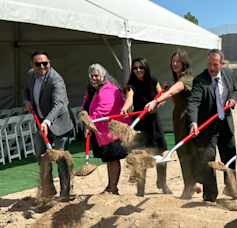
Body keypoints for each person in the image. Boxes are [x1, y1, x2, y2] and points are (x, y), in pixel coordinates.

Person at [145, 49, 202, 199]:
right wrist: (168, 89)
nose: (175, 64)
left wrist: (156, 100)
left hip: (186, 118)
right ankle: (193, 183)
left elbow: (171, 94)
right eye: (173, 61)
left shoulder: (186, 79)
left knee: (185, 151)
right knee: (183, 151)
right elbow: (174, 100)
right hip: (179, 116)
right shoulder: (179, 81)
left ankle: (190, 185)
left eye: (178, 61)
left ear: (184, 63)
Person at [187, 49, 237, 202]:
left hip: (225, 124)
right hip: (207, 127)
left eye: (215, 64)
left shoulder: (229, 74)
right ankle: (210, 195)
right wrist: (194, 122)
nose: (212, 67)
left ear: (222, 64)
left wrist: (232, 100)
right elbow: (193, 103)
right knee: (208, 161)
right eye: (209, 64)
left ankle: (232, 189)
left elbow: (234, 91)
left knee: (229, 157)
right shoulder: (200, 80)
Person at [23, 51, 75, 197]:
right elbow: (26, 90)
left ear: (49, 62)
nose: (42, 67)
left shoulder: (56, 79)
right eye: (38, 64)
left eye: (45, 63)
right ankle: (48, 189)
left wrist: (46, 121)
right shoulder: (30, 75)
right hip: (41, 122)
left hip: (60, 124)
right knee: (41, 157)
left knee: (60, 158)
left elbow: (58, 104)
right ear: (32, 65)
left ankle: (65, 192)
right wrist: (26, 100)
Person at [120, 57, 172, 196]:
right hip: (140, 124)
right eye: (135, 68)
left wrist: (156, 105)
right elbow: (129, 100)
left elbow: (163, 98)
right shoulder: (131, 86)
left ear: (146, 68)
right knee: (141, 156)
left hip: (154, 122)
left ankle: (162, 183)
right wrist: (125, 109)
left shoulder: (153, 80)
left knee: (161, 152)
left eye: (141, 67)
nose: (138, 70)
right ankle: (140, 189)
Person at [82, 63, 132, 195]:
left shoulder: (108, 89)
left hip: (113, 130)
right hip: (102, 131)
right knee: (109, 159)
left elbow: (103, 109)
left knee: (113, 158)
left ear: (103, 76)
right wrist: (87, 120)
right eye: (91, 76)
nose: (93, 79)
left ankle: (113, 188)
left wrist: (89, 124)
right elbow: (86, 106)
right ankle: (111, 187)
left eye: (96, 76)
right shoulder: (92, 90)